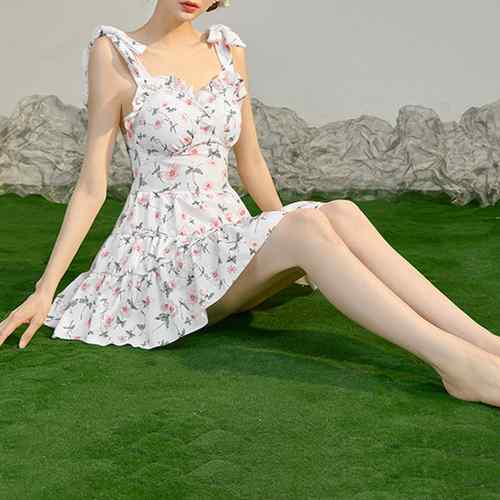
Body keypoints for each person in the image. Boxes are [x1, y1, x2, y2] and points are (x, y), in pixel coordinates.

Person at [1, 0, 499, 408]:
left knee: (338, 212)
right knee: (306, 227)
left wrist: (294, 237)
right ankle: (459, 367)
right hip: (160, 259)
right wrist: (46, 289)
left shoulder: (227, 50)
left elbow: (251, 160)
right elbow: (92, 184)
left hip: (224, 239)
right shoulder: (113, 53)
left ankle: (486, 344)